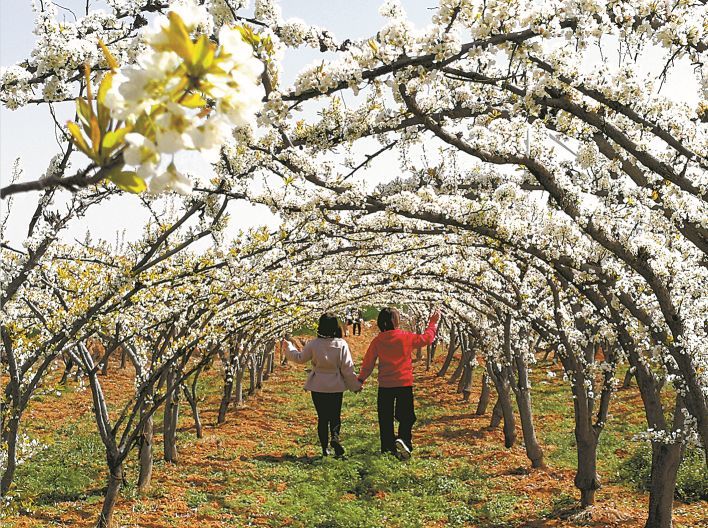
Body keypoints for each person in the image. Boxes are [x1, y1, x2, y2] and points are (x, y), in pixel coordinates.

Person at [357, 306, 440, 460]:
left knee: (385, 418)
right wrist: (433, 323)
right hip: (404, 384)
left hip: (385, 386)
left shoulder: (377, 341)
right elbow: (427, 339)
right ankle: (404, 441)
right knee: (407, 416)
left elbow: (368, 363)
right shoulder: (405, 337)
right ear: (397, 321)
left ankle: (388, 449)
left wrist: (361, 379)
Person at [282, 313, 362, 457]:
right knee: (335, 415)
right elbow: (347, 367)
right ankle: (335, 438)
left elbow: (299, 358)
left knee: (323, 418)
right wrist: (354, 385)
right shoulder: (341, 344)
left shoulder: (314, 344)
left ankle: (325, 448)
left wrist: (289, 348)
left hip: (318, 385)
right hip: (336, 386)